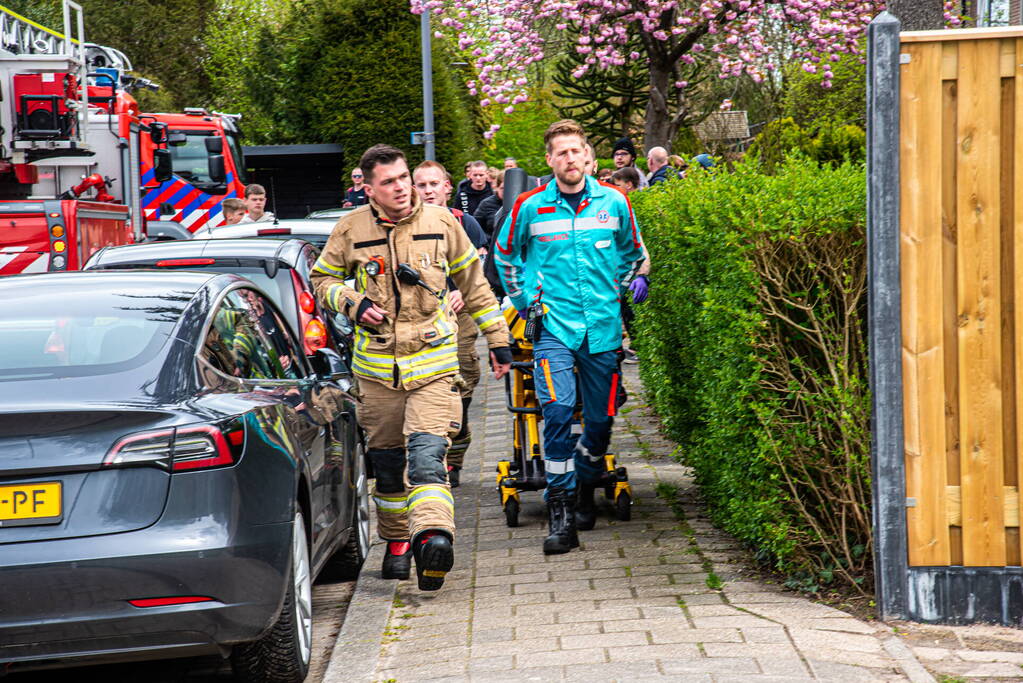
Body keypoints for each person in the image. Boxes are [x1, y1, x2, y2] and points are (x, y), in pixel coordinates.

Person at [312, 144, 512, 591]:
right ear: (368, 187)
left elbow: (475, 285)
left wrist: (498, 340)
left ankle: (434, 538)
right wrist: (351, 301)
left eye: (404, 177)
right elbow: (321, 279)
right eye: (389, 182)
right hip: (377, 371)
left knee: (426, 457)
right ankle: (398, 540)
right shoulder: (350, 230)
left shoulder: (442, 223)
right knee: (387, 465)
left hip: (434, 367)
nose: (401, 187)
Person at [495, 119, 645, 555]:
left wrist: (627, 284)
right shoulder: (529, 207)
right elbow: (505, 258)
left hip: (601, 330)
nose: (569, 159)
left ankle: (584, 480)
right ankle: (560, 516)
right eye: (561, 153)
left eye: (575, 151)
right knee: (557, 410)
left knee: (599, 422)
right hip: (554, 329)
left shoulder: (615, 203)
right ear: (549, 160)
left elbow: (633, 255)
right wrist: (525, 302)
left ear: (587, 156)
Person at [413, 160, 491, 489]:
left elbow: (481, 265)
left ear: (448, 187)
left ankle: (454, 457)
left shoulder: (466, 223)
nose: (429, 191)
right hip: (421, 317)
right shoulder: (405, 226)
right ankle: (433, 454)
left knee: (462, 382)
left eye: (435, 184)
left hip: (459, 314)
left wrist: (461, 290)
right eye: (422, 185)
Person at [610, 167, 651, 364]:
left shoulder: (622, 207)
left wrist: (642, 274)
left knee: (628, 311)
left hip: (621, 277)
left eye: (616, 185)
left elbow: (639, 246)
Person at [473, 169, 504, 237]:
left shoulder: (520, 204)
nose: (506, 192)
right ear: (497, 187)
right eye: (503, 188)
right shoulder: (486, 204)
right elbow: (475, 227)